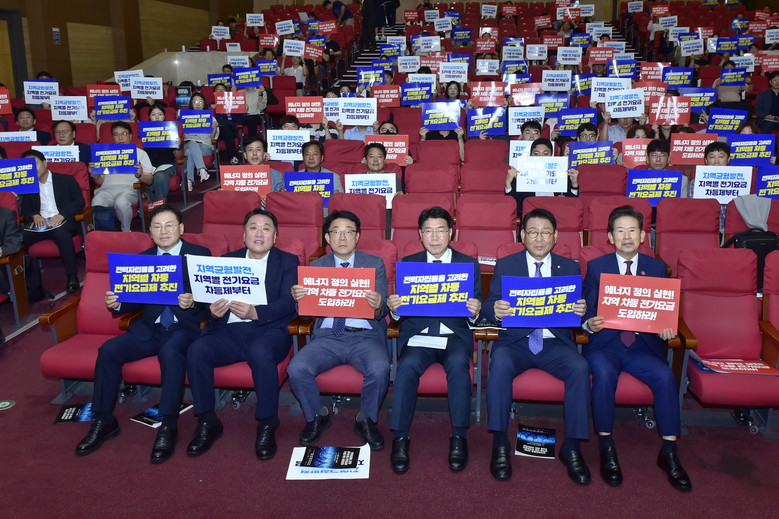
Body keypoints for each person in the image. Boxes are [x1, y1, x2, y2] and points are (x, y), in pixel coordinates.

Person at [75, 204, 211, 463]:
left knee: (170, 353)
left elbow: (212, 296)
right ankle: (103, 420)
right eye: (157, 226)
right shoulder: (143, 259)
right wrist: (118, 303)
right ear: (150, 232)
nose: (163, 231)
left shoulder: (199, 255)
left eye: (169, 225)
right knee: (109, 350)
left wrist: (194, 301)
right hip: (150, 329)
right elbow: (134, 299)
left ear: (181, 228)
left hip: (184, 328)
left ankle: (168, 425)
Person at [583, 205, 692, 492]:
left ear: (643, 236)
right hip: (606, 345)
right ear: (610, 236)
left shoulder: (657, 268)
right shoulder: (597, 267)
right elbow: (586, 311)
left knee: (665, 377)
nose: (627, 236)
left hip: (642, 347)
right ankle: (606, 446)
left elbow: (663, 311)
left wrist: (667, 329)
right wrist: (589, 324)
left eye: (632, 230)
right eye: (620, 230)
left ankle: (669, 452)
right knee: (604, 375)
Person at [483, 208, 591, 484]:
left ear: (555, 237)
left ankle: (572, 447)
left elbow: (581, 313)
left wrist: (581, 311)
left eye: (546, 233)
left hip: (555, 343)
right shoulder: (507, 265)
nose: (539, 238)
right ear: (523, 235)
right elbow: (487, 305)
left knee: (580, 367)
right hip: (516, 342)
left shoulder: (569, 268)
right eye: (533, 232)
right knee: (499, 363)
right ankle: (500, 442)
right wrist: (495, 309)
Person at [186, 208, 298, 460]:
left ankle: (267, 422)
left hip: (268, 330)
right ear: (244, 235)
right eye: (253, 228)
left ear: (275, 237)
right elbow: (206, 299)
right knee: (197, 351)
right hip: (229, 330)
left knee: (260, 353)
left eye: (266, 228)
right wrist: (212, 311)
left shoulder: (288, 261)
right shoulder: (226, 260)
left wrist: (257, 312)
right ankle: (207, 420)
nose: (259, 233)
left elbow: (288, 303)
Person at [386, 206, 482, 473]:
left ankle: (459, 435)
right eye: (428, 231)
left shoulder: (468, 264)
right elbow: (399, 311)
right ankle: (400, 437)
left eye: (441, 230)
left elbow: (478, 307)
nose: (435, 236)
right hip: (419, 335)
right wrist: (395, 309)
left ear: (451, 232)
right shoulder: (409, 264)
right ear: (420, 234)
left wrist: (475, 310)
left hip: (454, 335)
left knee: (458, 364)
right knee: (406, 366)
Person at [288, 210, 390, 450]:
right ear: (327, 238)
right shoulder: (316, 266)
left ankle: (366, 419)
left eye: (348, 232)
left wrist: (378, 304)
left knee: (380, 368)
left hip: (365, 335)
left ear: (357, 237)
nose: (342, 237)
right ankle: (317, 415)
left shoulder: (374, 264)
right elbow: (304, 314)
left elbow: (383, 310)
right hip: (327, 336)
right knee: (296, 368)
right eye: (336, 232)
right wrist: (298, 299)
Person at [19, 150, 85, 293]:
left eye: (35, 164)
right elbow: (25, 209)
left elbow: (79, 202)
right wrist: (34, 215)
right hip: (41, 224)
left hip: (63, 221)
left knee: (62, 233)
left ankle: (72, 277)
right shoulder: (28, 185)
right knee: (18, 236)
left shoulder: (66, 180)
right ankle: (23, 283)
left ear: (45, 163)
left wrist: (62, 215)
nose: (32, 169)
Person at [90, 121, 154, 232]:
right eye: (116, 134)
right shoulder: (105, 154)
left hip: (129, 190)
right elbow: (100, 182)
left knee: (121, 202)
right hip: (106, 190)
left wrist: (140, 175)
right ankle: (106, 234)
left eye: (124, 134)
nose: (120, 138)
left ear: (130, 136)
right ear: (113, 137)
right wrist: (95, 176)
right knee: (96, 201)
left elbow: (149, 180)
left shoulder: (140, 154)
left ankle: (126, 231)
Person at [182, 93, 217, 191]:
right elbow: (183, 137)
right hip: (188, 144)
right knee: (191, 143)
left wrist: (214, 128)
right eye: (195, 102)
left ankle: (189, 180)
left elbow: (212, 138)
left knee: (189, 152)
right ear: (191, 104)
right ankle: (202, 170)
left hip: (205, 146)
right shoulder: (185, 117)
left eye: (200, 101)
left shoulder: (210, 117)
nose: (197, 104)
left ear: (204, 103)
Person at [144, 104, 179, 202]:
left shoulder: (170, 131)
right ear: (149, 117)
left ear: (164, 116)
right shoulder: (144, 132)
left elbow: (178, 156)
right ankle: (149, 205)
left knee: (159, 176)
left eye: (160, 114)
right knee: (145, 177)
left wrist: (178, 146)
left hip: (168, 166)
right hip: (150, 167)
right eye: (153, 114)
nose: (157, 117)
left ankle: (159, 204)